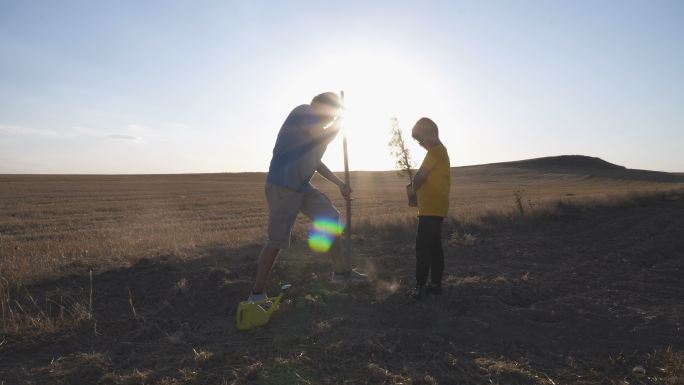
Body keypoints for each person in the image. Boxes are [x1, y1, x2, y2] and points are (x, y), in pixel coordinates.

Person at [247, 92, 368, 302]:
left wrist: (339, 184)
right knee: (277, 241)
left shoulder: (318, 131)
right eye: (329, 115)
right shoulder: (303, 112)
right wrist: (340, 122)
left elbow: (317, 163)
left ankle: (340, 273)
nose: (329, 120)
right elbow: (320, 134)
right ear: (321, 107)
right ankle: (257, 293)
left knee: (330, 217)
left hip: (302, 187)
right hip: (283, 187)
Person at [407, 117, 451, 300]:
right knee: (434, 248)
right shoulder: (439, 151)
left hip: (431, 209)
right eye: (417, 141)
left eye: (421, 139)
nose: (420, 144)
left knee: (422, 248)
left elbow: (420, 177)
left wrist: (410, 192)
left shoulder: (435, 151)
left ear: (432, 134)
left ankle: (420, 286)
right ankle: (435, 285)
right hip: (435, 207)